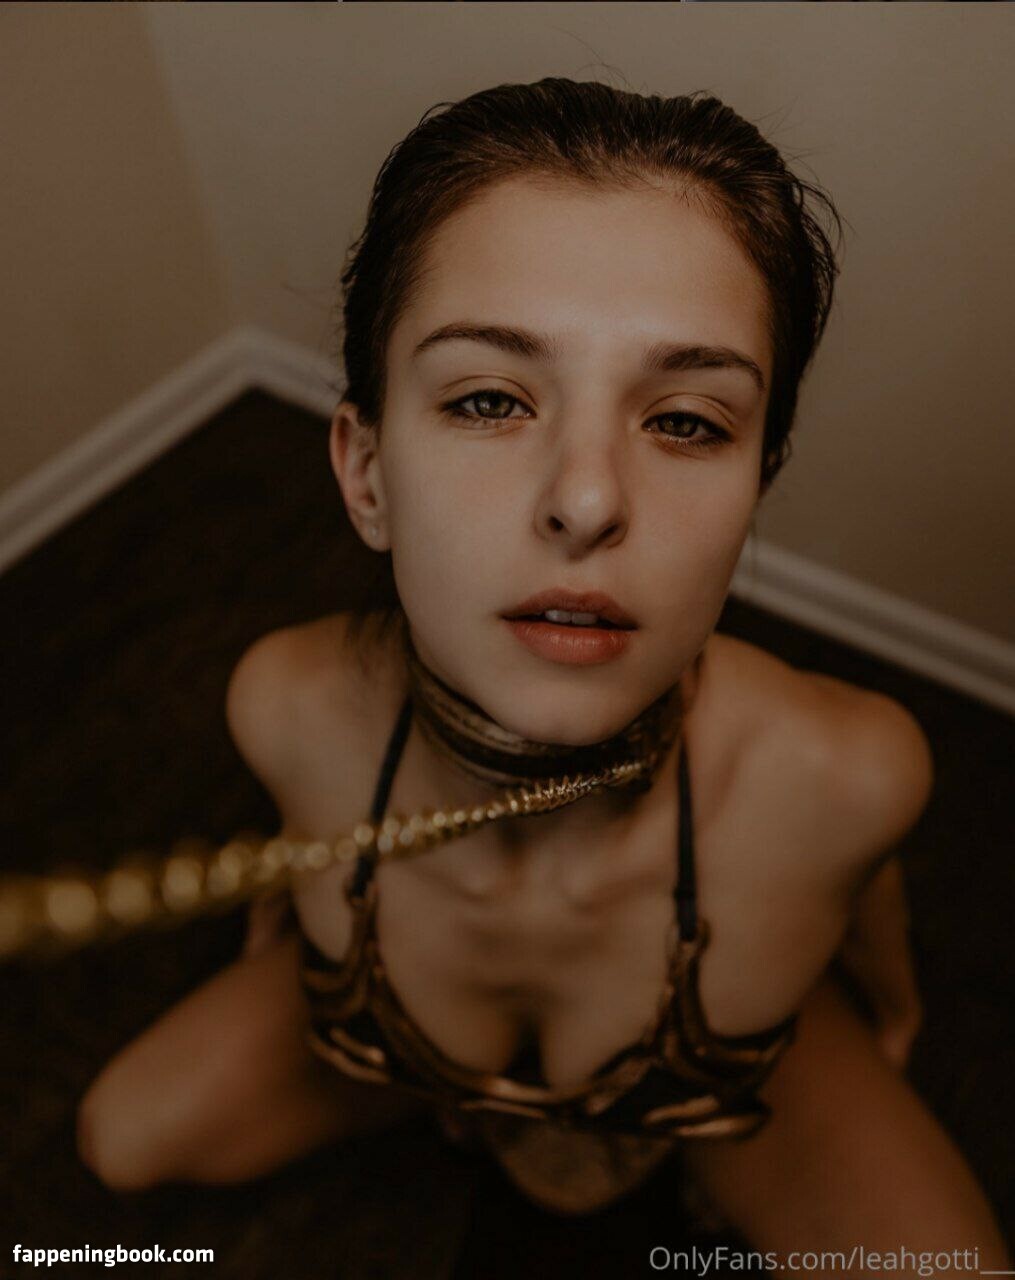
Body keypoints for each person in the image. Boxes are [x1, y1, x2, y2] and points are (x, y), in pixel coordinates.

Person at [76, 79, 1009, 1265]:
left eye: (686, 421)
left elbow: (865, 888)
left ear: (753, 492)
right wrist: (302, 909)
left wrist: (889, 996)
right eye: (486, 398)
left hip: (711, 1068)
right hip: (398, 1036)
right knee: (119, 1138)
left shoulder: (851, 770)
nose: (586, 498)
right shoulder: (282, 703)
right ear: (366, 473)